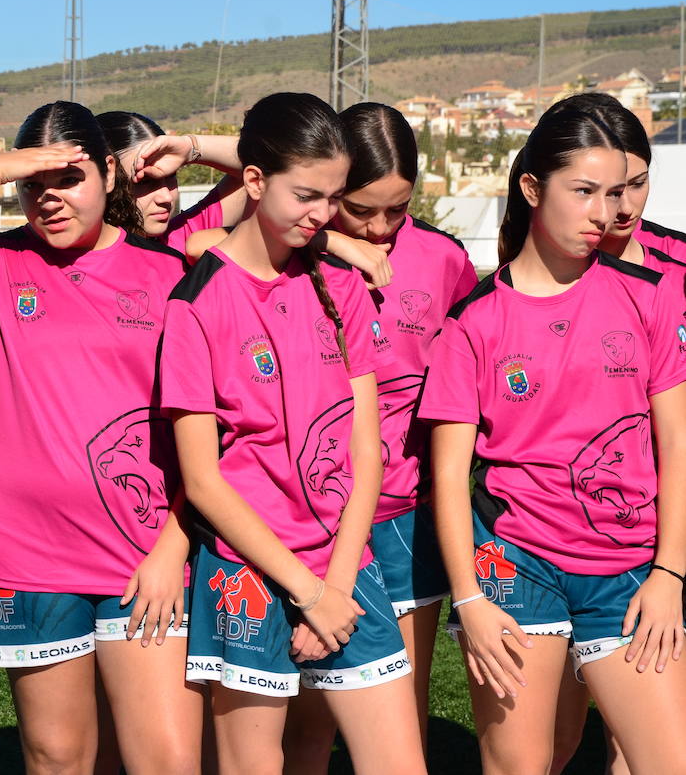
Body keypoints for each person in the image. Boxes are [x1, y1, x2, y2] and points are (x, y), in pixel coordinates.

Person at [0, 101, 203, 775]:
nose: (48, 202)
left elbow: (206, 437)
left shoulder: (169, 275)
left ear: (109, 173)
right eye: (32, 187)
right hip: (25, 552)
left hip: (146, 557)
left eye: (68, 180)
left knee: (164, 759)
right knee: (58, 757)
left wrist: (173, 547)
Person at [160, 92, 426, 774]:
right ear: (254, 181)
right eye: (307, 195)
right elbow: (204, 481)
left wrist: (333, 587)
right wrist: (303, 593)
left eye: (333, 197)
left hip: (345, 568)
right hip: (247, 572)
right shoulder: (195, 303)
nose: (323, 215)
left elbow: (368, 453)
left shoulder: (341, 286)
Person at [422, 104, 686, 774]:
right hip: (514, 569)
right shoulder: (472, 321)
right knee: (520, 764)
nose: (606, 211)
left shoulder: (650, 296)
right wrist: (472, 602)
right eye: (585, 191)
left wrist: (669, 574)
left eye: (618, 191)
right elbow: (449, 479)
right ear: (533, 189)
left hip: (628, 568)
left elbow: (678, 445)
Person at [276, 103, 477, 770]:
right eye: (360, 209)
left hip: (405, 523)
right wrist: (337, 242)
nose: (380, 227)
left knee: (399, 716)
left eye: (398, 209)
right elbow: (222, 213)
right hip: (311, 519)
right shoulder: (293, 256)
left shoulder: (446, 262)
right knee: (307, 717)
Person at [94, 110, 242, 251]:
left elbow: (261, 162)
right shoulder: (74, 265)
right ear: (105, 180)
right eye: (144, 181)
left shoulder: (185, 241)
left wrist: (191, 148)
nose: (166, 197)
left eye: (172, 177)